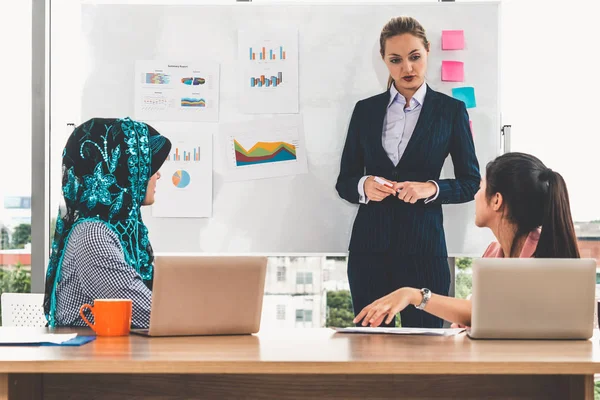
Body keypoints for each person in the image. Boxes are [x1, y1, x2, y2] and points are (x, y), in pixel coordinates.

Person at [335, 16, 480, 328]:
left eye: (415, 57)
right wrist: (364, 185)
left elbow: (470, 183)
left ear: (427, 51)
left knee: (428, 353)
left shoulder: (450, 111)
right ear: (384, 60)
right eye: (396, 60)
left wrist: (431, 188)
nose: (408, 69)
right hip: (369, 252)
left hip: (425, 252)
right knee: (370, 348)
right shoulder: (366, 111)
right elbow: (344, 182)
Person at [353, 152, 581, 328]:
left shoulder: (540, 257)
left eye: (481, 188)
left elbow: (485, 312)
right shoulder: (494, 252)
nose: (474, 195)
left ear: (497, 201)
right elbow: (476, 315)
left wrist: (413, 295)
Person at [43, 117, 172, 329]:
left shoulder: (121, 230)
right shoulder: (92, 235)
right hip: (92, 361)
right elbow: (147, 312)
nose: (158, 174)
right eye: (149, 167)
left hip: (116, 357)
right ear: (124, 171)